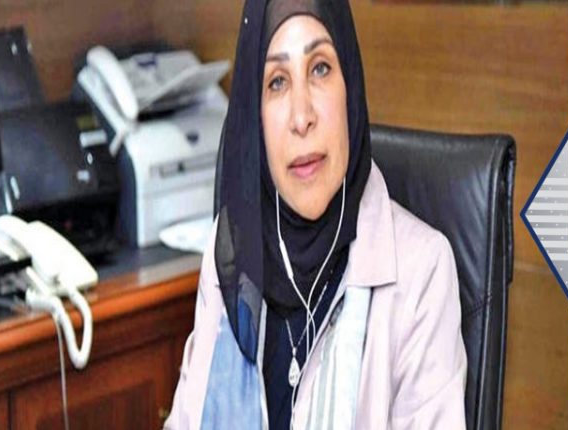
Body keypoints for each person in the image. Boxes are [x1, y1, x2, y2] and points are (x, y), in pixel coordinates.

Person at [165, 0, 467, 428]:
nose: (301, 116)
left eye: (320, 68)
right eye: (277, 82)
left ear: (350, 88)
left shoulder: (422, 270)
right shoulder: (232, 253)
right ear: (255, 117)